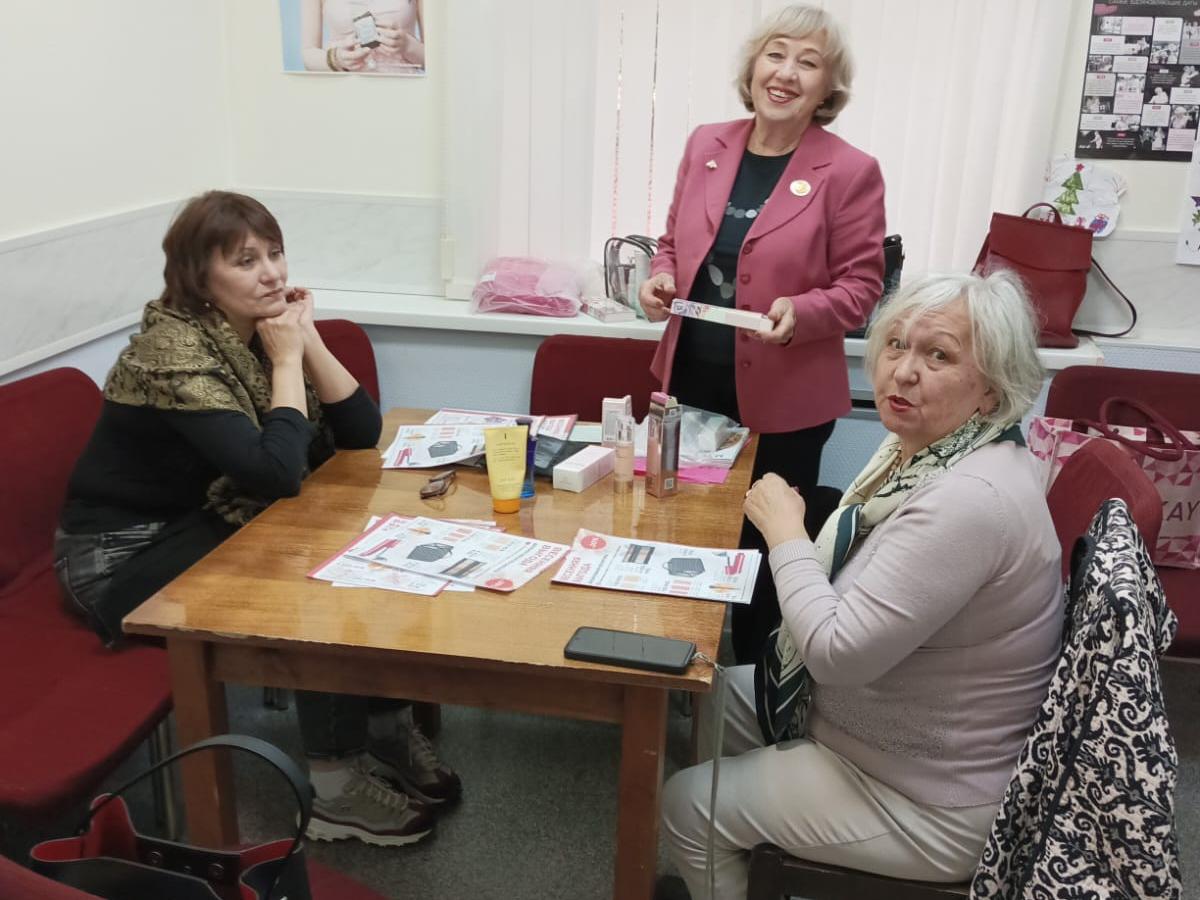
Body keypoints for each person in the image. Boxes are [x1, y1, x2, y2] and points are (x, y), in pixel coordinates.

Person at [54, 191, 458, 847]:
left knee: (359, 536)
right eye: (246, 261)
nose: (271, 274)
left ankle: (383, 727)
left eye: (275, 253)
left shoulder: (252, 334)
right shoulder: (170, 353)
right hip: (120, 556)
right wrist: (287, 360)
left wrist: (308, 339)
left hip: (205, 516)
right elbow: (275, 473)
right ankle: (334, 786)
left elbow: (362, 435)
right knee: (310, 570)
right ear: (199, 278)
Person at [660, 271, 1061, 900]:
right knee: (708, 694)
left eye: (939, 356)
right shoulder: (925, 450)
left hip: (925, 794)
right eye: (896, 345)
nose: (904, 371)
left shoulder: (970, 501)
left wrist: (786, 534)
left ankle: (726, 842)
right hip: (878, 723)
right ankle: (746, 859)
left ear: (992, 388)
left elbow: (836, 654)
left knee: (687, 805)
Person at [638, 4, 886, 665]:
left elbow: (862, 287)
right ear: (752, 67)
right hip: (688, 387)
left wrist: (802, 313)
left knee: (762, 555)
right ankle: (670, 672)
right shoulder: (706, 144)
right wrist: (660, 278)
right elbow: (671, 243)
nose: (786, 73)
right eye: (776, 54)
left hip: (786, 408)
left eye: (808, 62)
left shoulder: (850, 170)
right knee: (677, 536)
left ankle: (755, 686)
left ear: (828, 86)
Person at [301, 0, 425, 73]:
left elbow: (434, 61)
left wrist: (408, 45)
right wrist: (336, 59)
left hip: (403, 90)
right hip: (341, 90)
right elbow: (308, 55)